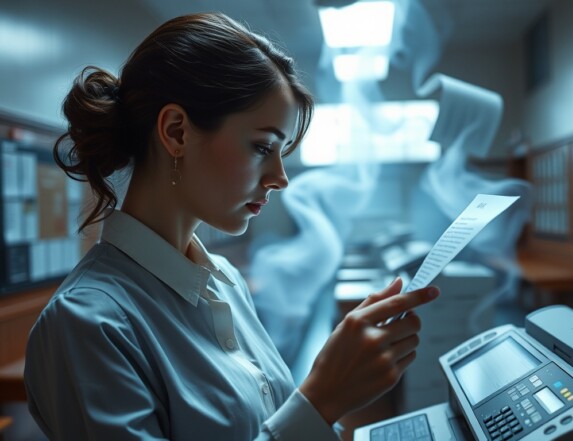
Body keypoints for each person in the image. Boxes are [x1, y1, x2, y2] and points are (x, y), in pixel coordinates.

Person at [24, 12, 439, 441]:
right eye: (262, 146)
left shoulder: (227, 282)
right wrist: (322, 399)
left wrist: (332, 393)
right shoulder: (88, 325)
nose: (281, 177)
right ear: (176, 132)